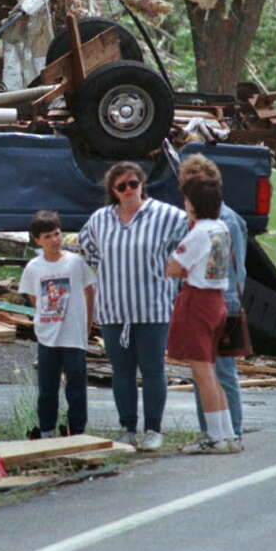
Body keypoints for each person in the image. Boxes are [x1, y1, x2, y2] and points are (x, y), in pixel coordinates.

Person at [79, 162, 186, 451]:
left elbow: (186, 246)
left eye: (133, 184)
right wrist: (107, 271)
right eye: (121, 186)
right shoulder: (101, 219)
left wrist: (171, 278)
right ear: (113, 191)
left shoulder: (167, 215)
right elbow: (86, 247)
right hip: (114, 308)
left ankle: (154, 429)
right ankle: (127, 428)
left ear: (142, 184)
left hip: (153, 307)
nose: (128, 190)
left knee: (153, 370)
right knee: (122, 372)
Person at [166, 170, 239, 453]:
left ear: (192, 204)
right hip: (217, 299)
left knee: (203, 373)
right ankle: (226, 432)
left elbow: (173, 268)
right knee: (211, 371)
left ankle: (214, 437)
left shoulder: (198, 233)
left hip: (197, 301)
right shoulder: (221, 227)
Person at [18, 210, 96, 438]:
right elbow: (34, 297)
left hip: (74, 334)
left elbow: (89, 290)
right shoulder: (34, 267)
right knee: (47, 388)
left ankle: (77, 432)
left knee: (76, 388)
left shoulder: (75, 263)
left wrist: (88, 321)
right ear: (37, 240)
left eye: (57, 234)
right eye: (48, 236)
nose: (54, 240)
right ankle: (46, 431)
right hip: (47, 335)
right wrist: (46, 316)